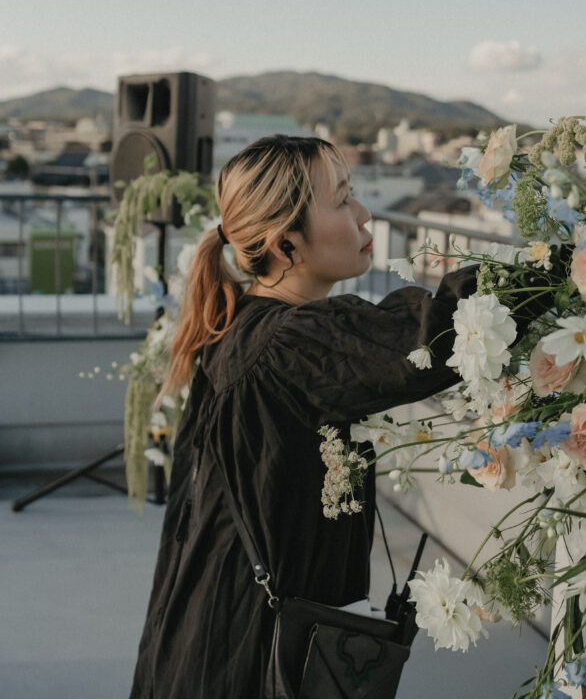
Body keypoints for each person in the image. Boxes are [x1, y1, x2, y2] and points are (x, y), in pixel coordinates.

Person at [129, 135, 476, 699]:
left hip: (214, 624)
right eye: (341, 201)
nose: (363, 216)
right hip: (251, 648)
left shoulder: (246, 321)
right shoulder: (292, 341)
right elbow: (436, 338)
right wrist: (572, 272)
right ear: (287, 243)